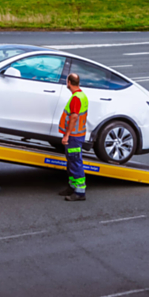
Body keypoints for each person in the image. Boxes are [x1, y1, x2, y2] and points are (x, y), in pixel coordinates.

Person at [57, 73, 89, 202]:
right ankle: (72, 187)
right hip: (77, 135)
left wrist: (67, 135)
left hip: (74, 136)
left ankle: (80, 193)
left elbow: (74, 117)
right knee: (71, 162)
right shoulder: (82, 96)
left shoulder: (76, 98)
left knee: (75, 163)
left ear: (69, 82)